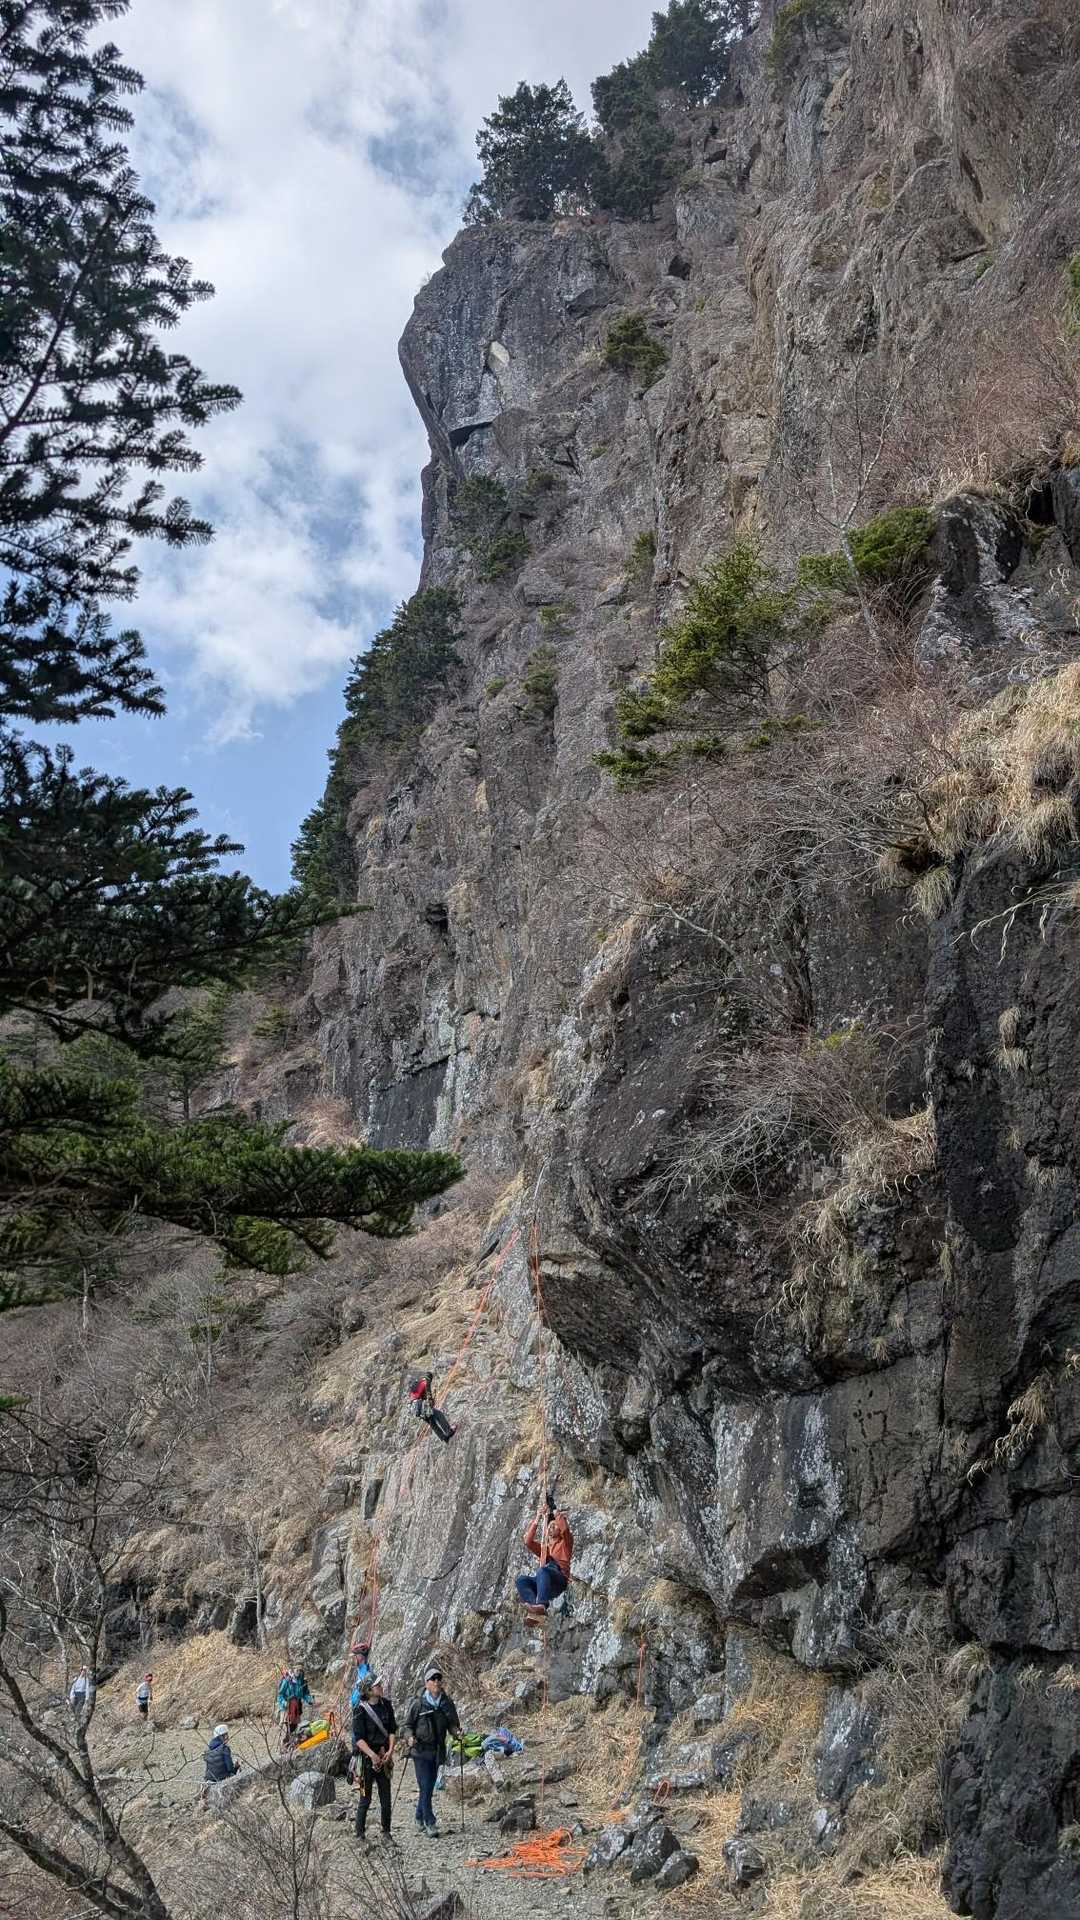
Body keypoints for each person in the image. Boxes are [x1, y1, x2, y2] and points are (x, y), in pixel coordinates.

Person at [403, 1664, 460, 1838]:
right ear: (426, 1683)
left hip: (437, 1751)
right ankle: (430, 1822)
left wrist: (457, 1733)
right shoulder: (418, 1704)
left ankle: (418, 1816)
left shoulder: (447, 1703)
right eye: (432, 1679)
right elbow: (407, 1726)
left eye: (438, 1678)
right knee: (426, 1785)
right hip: (420, 1751)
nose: (436, 1682)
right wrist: (409, 1737)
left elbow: (452, 1724)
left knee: (427, 1787)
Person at [351, 1677, 397, 1846]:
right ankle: (359, 1834)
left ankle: (386, 1832)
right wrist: (371, 1755)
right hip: (366, 1759)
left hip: (384, 1756)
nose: (380, 1686)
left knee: (386, 1798)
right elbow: (358, 1739)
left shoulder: (386, 1705)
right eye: (377, 1685)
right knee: (365, 1798)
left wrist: (390, 1751)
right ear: (368, 1690)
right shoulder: (359, 1710)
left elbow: (392, 1730)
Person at [514, 1495, 573, 1616]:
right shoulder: (544, 1549)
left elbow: (565, 1529)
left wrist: (554, 1509)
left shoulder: (565, 1543)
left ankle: (541, 1604)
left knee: (543, 1570)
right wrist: (538, 1517)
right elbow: (528, 1542)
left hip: (559, 1579)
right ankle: (535, 1606)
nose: (551, 1527)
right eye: (549, 1526)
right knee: (521, 1580)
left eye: (554, 1525)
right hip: (545, 1582)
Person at [408, 1372, 455, 1444]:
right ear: (430, 1378)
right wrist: (431, 1403)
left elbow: (419, 1397)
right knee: (439, 1414)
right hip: (419, 1405)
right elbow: (429, 1395)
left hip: (414, 1408)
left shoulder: (418, 1384)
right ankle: (448, 1431)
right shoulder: (426, 1381)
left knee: (432, 1422)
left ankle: (444, 1438)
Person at [277, 1667, 313, 1746]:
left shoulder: (302, 1680)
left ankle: (291, 1745)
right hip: (286, 1707)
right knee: (287, 1727)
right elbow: (280, 1695)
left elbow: (305, 1694)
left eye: (299, 1669)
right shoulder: (287, 1680)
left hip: (297, 1707)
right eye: (296, 1669)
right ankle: (284, 1745)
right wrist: (284, 1703)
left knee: (294, 1727)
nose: (298, 1671)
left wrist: (310, 1700)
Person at [203, 1724, 241, 1790]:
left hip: (209, 1779)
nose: (227, 1737)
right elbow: (230, 1768)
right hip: (221, 1778)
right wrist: (236, 1767)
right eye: (225, 1735)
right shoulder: (224, 1748)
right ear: (222, 1736)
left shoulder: (208, 1750)